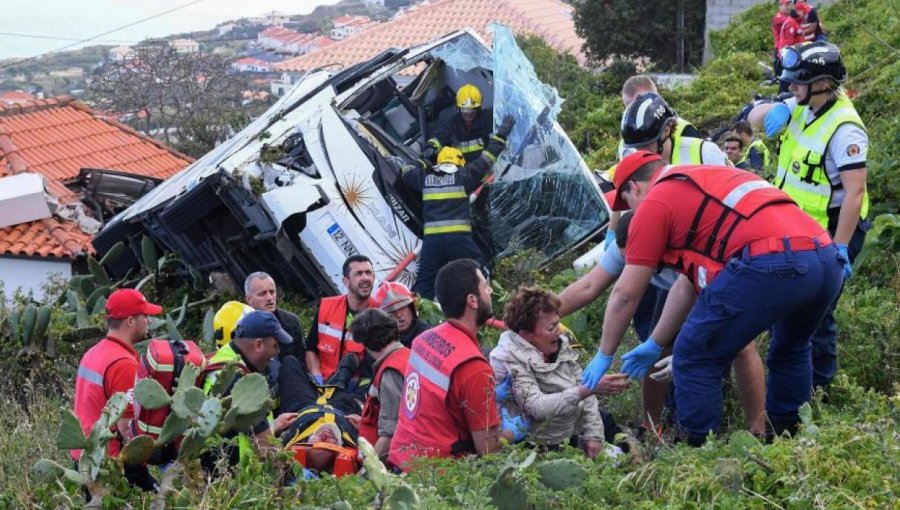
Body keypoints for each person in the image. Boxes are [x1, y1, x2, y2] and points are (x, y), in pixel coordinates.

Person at [581, 150, 843, 445]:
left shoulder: (655, 201)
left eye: (627, 202)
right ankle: (788, 441)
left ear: (635, 187)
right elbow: (686, 285)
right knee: (791, 348)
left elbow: (626, 294)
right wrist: (655, 343)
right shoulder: (703, 185)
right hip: (825, 255)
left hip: (772, 259)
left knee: (693, 355)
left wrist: (605, 354)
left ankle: (699, 453)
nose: (631, 212)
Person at [558, 211, 766, 437]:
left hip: (712, 282)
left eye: (635, 259)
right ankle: (650, 426)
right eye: (627, 261)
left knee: (741, 348)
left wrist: (690, 350)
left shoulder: (690, 251)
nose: (631, 266)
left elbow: (704, 304)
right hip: (675, 290)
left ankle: (759, 429)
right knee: (654, 347)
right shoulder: (624, 246)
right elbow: (588, 286)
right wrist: (536, 315)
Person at [750, 41, 870, 389]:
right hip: (797, 230)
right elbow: (754, 116)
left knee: (818, 316)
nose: (791, 88)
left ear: (821, 83)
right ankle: (795, 381)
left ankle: (820, 388)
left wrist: (840, 248)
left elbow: (855, 192)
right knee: (789, 309)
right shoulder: (804, 105)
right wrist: (774, 111)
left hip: (832, 232)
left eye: (797, 83)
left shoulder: (845, 128)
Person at [389, 259, 528, 470]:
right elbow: (489, 450)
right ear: (472, 301)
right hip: (439, 479)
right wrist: (512, 432)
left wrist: (484, 397)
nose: (489, 291)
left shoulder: (423, 340)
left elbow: (435, 403)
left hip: (403, 460)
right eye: (485, 286)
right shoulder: (474, 367)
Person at [490, 287, 627, 458]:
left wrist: (594, 435)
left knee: (611, 427)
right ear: (527, 335)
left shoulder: (558, 344)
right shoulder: (509, 359)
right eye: (551, 327)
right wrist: (587, 389)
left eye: (558, 323)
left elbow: (582, 385)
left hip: (571, 420)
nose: (560, 331)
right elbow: (537, 407)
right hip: (541, 440)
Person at [401, 115, 514, 300]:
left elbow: (405, 171)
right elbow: (488, 157)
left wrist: (423, 161)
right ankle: (486, 304)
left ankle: (420, 313)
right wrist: (502, 134)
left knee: (425, 281)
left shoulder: (425, 178)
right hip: (458, 240)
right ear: (458, 162)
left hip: (432, 242)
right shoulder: (464, 176)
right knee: (479, 269)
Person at [71, 288, 162, 491]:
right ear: (130, 321)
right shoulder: (124, 364)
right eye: (145, 316)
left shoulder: (93, 352)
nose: (148, 321)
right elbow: (126, 429)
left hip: (84, 459)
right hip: (111, 466)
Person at [202, 311, 300, 470]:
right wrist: (296, 475)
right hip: (231, 477)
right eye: (275, 346)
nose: (277, 353)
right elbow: (266, 450)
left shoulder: (227, 357)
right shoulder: (240, 383)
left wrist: (273, 426)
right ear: (258, 345)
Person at [305, 255, 375, 384]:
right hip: (322, 383)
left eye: (368, 273)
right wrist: (317, 378)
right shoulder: (326, 307)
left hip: (353, 389)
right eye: (359, 274)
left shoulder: (379, 315)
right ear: (345, 281)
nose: (365, 278)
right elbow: (311, 350)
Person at [351, 309, 410, 461]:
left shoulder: (391, 372)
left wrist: (367, 475)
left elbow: (390, 434)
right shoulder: (407, 356)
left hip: (391, 463)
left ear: (367, 342)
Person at [425, 83, 494, 165]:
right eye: (465, 110)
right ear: (459, 108)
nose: (469, 114)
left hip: (485, 166)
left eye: (472, 110)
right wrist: (431, 147)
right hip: (462, 171)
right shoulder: (453, 124)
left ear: (479, 108)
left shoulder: (487, 118)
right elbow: (440, 136)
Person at [245, 272, 305, 359]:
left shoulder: (292, 321)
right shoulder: (240, 327)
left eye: (272, 292)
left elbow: (301, 359)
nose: (269, 298)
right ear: (249, 299)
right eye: (263, 293)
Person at [372, 281, 432, 348]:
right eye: (391, 311)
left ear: (411, 308)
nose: (398, 315)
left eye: (402, 308)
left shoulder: (427, 336)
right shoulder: (379, 340)